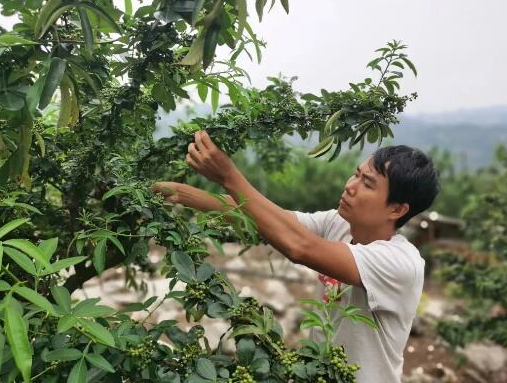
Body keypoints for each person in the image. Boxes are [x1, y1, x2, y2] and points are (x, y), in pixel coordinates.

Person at [152, 130, 440, 383]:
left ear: (397, 210)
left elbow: (299, 247)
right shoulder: (338, 224)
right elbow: (262, 215)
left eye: (367, 183)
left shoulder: (401, 263)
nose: (350, 185)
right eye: (356, 174)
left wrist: (229, 176)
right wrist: (177, 193)